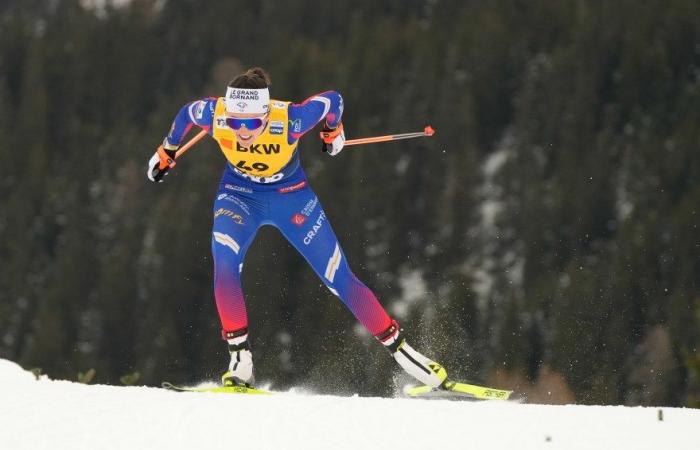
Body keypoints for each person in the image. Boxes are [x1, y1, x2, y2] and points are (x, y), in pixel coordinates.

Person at [147, 67, 446, 390]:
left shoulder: (290, 119)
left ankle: (406, 355)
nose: (242, 131)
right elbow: (186, 114)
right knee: (225, 263)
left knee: (339, 278)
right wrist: (167, 150)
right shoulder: (216, 114)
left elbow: (334, 100)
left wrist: (333, 132)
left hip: (292, 199)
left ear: (265, 113)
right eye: (235, 122)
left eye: (251, 123)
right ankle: (240, 361)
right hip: (239, 197)